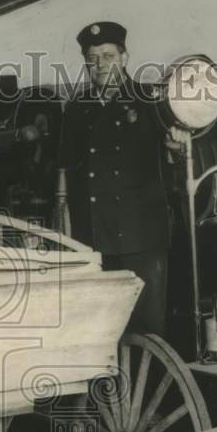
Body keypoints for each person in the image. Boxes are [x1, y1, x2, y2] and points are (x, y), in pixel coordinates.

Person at [57, 21, 172, 336]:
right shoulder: (77, 108)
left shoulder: (152, 101)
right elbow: (65, 171)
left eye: (108, 56)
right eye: (92, 58)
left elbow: (175, 154)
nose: (100, 65)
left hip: (140, 237)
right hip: (93, 237)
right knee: (100, 329)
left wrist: (175, 144)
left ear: (124, 57)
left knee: (145, 329)